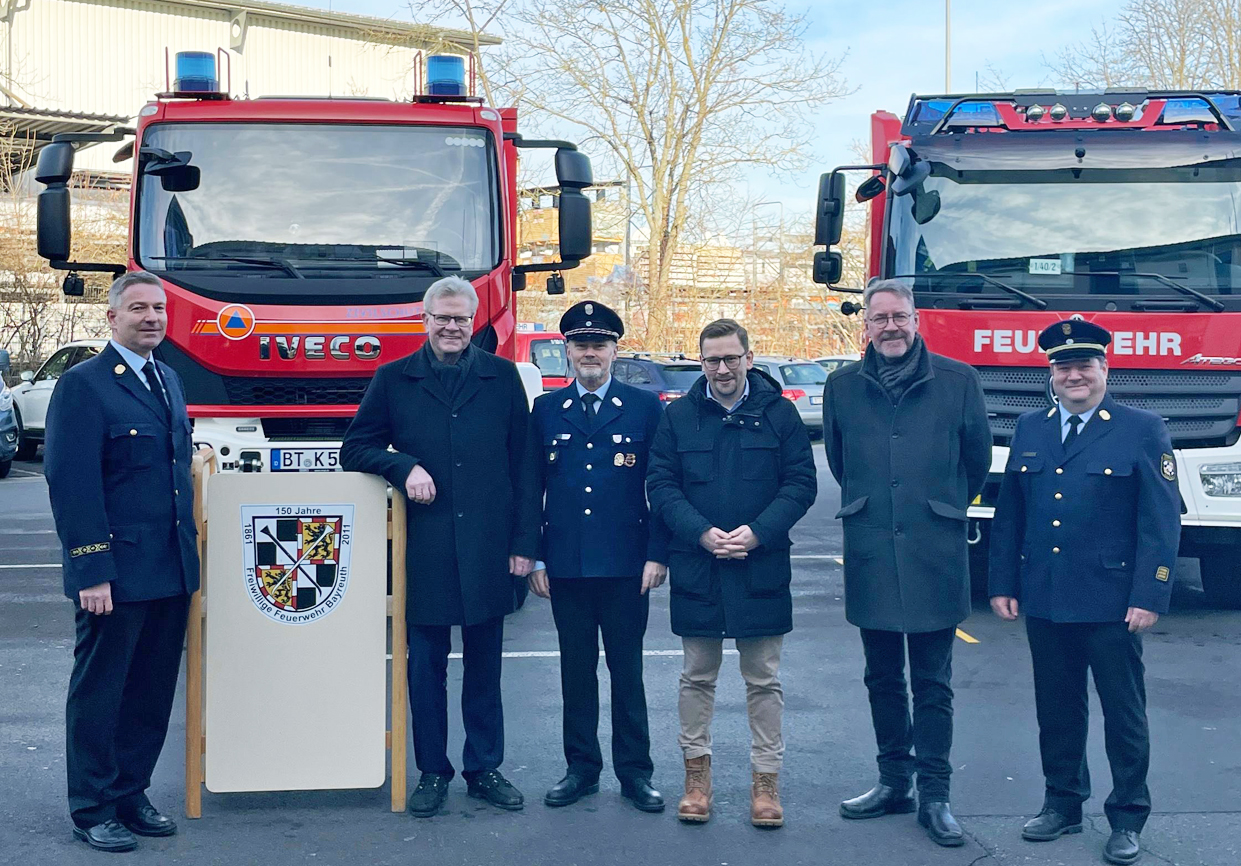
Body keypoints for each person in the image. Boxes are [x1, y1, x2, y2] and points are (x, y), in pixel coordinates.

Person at [340, 275, 540, 818]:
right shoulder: (393, 379)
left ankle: (484, 768)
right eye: (442, 318)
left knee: (485, 666)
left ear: (473, 321)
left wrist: (525, 545)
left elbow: (525, 465)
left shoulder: (501, 379)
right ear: (424, 320)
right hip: (422, 549)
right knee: (424, 668)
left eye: (461, 318)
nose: (452, 327)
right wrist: (403, 467)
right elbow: (354, 448)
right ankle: (432, 770)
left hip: (488, 549)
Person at [989, 319, 1180, 866]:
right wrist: (1002, 581)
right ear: (1051, 374)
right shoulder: (1031, 427)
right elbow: (1012, 513)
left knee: (1123, 713)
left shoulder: (1141, 428)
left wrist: (1150, 594)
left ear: (1104, 369)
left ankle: (1126, 816)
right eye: (1063, 367)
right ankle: (1063, 804)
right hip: (1046, 596)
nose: (1074, 375)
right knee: (1057, 708)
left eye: (1084, 365)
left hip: (1113, 600)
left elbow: (1160, 523)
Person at [823, 278, 991, 847]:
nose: (890, 327)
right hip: (871, 546)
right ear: (864, 326)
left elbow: (977, 460)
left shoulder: (958, 381)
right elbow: (844, 463)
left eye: (900, 317)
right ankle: (894, 781)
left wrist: (937, 506)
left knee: (933, 680)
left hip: (934, 549)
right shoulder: (841, 386)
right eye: (879, 319)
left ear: (916, 321)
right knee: (881, 677)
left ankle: (936, 794)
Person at [45, 271, 199, 852]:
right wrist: (91, 570)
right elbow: (73, 483)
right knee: (102, 690)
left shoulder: (169, 380)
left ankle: (132, 793)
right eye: (138, 309)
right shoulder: (84, 385)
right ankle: (92, 806)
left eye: (159, 308)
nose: (152, 318)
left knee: (151, 690)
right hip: (116, 573)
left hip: (169, 567)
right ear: (112, 318)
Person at [647, 318, 816, 828]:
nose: (722, 368)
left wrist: (758, 532)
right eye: (711, 360)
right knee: (696, 678)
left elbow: (801, 483)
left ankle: (766, 785)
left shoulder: (780, 415)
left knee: (762, 681)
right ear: (701, 363)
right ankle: (696, 781)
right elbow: (661, 483)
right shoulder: (678, 419)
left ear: (748, 357)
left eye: (730, 358)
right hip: (698, 566)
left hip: (761, 566)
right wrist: (700, 532)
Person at [527, 301, 668, 813]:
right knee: (576, 672)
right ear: (567, 351)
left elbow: (662, 485)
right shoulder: (546, 410)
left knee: (628, 673)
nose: (590, 352)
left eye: (599, 344)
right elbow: (530, 488)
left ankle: (635, 774)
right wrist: (537, 558)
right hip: (566, 566)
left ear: (614, 351)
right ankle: (581, 769)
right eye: (581, 344)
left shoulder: (645, 407)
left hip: (628, 566)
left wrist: (658, 553)